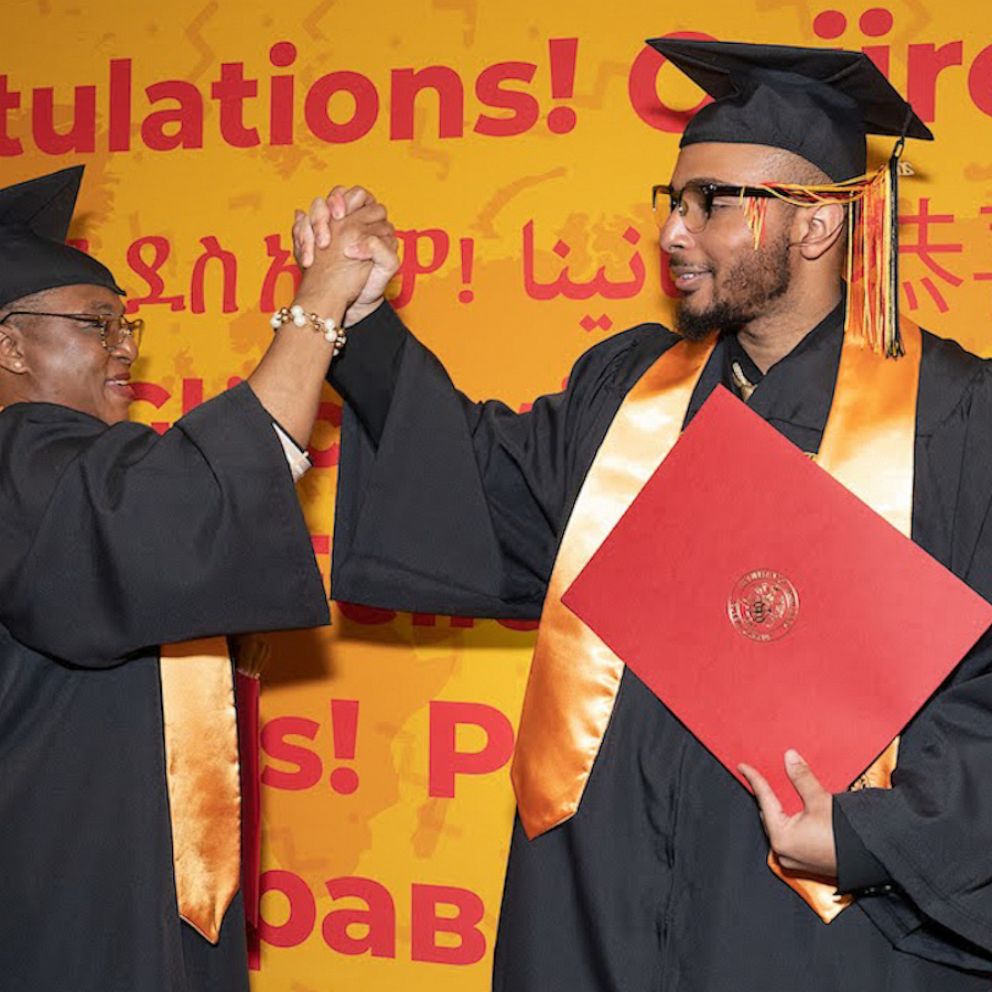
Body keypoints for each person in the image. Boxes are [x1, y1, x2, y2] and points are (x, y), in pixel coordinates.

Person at [312, 40, 992, 992]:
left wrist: (872, 835)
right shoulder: (630, 390)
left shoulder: (959, 423)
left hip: (814, 928)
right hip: (599, 899)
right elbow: (490, 490)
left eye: (713, 202)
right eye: (672, 201)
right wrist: (368, 326)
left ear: (814, 228)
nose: (675, 231)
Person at [0, 166, 394, 992]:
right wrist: (316, 311)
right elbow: (186, 513)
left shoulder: (74, 467)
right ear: (8, 344)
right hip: (57, 886)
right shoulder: (18, 460)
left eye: (127, 325)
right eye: (95, 324)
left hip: (138, 869)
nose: (123, 347)